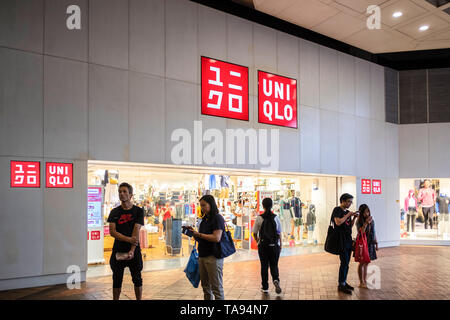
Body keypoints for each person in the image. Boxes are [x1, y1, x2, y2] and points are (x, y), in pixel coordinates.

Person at [107, 182, 144, 300]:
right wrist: (129, 239)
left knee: (137, 278)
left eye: (124, 192)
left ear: (130, 195)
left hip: (134, 250)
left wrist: (132, 250)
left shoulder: (138, 211)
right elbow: (112, 232)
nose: (121, 194)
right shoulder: (114, 212)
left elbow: (136, 230)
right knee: (117, 279)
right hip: (118, 251)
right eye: (120, 192)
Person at [187, 195, 225, 300]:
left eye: (204, 205)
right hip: (202, 256)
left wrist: (199, 235)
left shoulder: (217, 218)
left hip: (213, 257)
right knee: (206, 288)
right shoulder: (204, 219)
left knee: (216, 288)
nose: (202, 208)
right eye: (201, 205)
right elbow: (203, 238)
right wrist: (194, 233)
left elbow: (216, 237)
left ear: (211, 204)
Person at [252, 198, 283, 294]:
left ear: (263, 206)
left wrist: (258, 242)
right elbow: (279, 233)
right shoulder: (276, 218)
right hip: (274, 245)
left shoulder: (259, 218)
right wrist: (280, 245)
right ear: (272, 205)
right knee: (274, 264)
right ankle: (276, 279)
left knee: (264, 266)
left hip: (263, 246)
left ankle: (265, 287)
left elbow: (254, 233)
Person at [331, 193, 359, 295]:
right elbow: (338, 222)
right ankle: (341, 284)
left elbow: (348, 226)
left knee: (346, 263)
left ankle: (343, 282)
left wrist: (354, 218)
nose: (350, 204)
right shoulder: (337, 210)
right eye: (348, 201)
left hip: (348, 240)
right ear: (342, 201)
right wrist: (348, 215)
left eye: (351, 202)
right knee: (344, 262)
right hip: (341, 241)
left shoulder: (347, 212)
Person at [356, 204, 378, 288]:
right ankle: (361, 282)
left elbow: (374, 231)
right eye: (365, 212)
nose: (367, 214)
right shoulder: (359, 221)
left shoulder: (371, 220)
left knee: (366, 263)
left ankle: (364, 281)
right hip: (363, 244)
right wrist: (366, 223)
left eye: (368, 211)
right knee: (361, 263)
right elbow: (360, 232)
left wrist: (376, 243)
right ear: (361, 213)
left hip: (370, 243)